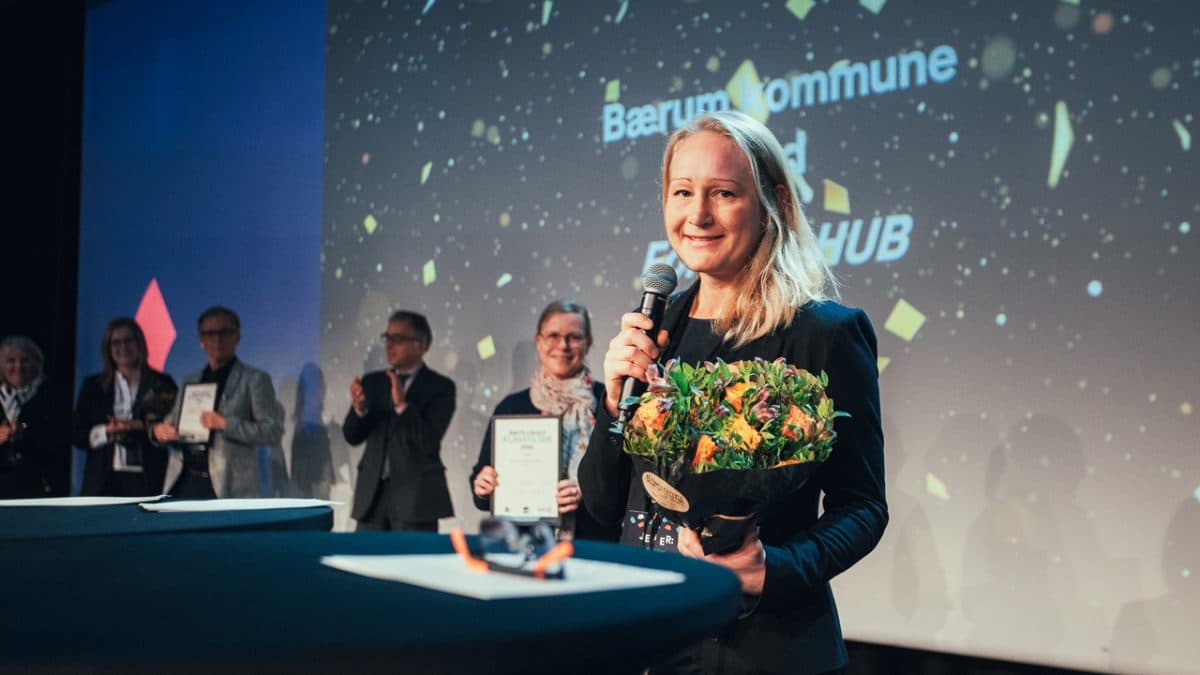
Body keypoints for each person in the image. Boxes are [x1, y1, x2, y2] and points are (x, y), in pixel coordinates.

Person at [579, 110, 887, 674]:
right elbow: (601, 504)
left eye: (722, 193)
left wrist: (775, 568)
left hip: (761, 650)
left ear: (773, 203)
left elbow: (862, 506)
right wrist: (611, 401)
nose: (697, 215)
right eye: (682, 191)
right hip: (648, 637)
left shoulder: (822, 333)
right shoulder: (655, 330)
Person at [469, 300, 620, 542]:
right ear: (538, 342)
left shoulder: (610, 404)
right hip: (525, 543)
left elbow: (623, 482)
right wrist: (483, 485)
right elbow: (480, 487)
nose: (563, 345)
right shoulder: (511, 407)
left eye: (574, 337)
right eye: (553, 335)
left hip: (593, 541)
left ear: (588, 342)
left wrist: (588, 491)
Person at [152, 306, 283, 498]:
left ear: (237, 336)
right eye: (210, 334)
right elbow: (172, 420)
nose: (217, 339)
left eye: (224, 332)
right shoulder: (191, 380)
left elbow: (272, 432)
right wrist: (160, 432)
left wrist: (225, 424)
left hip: (227, 487)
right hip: (185, 481)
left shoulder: (254, 379)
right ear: (201, 340)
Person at [343, 310, 455, 531]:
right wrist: (360, 409)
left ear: (422, 345)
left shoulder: (440, 387)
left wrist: (403, 406)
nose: (389, 345)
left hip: (416, 501)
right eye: (387, 338)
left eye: (398, 339)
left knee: (411, 564)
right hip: (372, 498)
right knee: (364, 563)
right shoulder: (374, 382)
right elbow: (352, 436)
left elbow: (428, 442)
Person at [72, 317, 178, 496]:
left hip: (150, 478)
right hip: (102, 482)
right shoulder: (94, 386)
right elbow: (77, 434)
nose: (123, 347)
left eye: (128, 340)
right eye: (116, 342)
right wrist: (107, 431)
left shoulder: (162, 383)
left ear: (140, 344)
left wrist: (139, 426)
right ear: (108, 349)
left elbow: (173, 424)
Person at [0, 335, 69, 498]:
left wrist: (25, 431)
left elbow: (61, 440)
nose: (18, 366)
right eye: (11, 360)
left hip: (39, 487)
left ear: (37, 364)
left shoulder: (53, 395)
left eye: (25, 360)